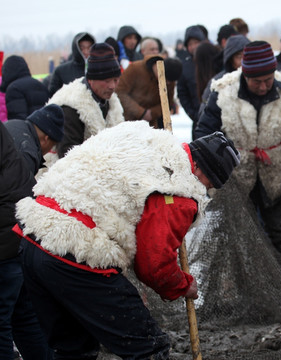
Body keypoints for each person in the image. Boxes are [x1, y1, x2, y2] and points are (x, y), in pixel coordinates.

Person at [13, 122, 240, 358]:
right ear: (205, 174)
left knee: (73, 348)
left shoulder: (143, 139)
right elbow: (154, 264)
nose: (206, 190)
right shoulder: (181, 192)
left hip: (34, 234)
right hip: (76, 252)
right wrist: (182, 285)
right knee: (148, 347)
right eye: (210, 185)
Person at [196, 41, 281, 267]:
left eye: (268, 80)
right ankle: (238, 288)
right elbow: (204, 131)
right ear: (245, 76)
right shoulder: (224, 94)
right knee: (235, 235)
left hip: (275, 173)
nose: (264, 87)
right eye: (257, 82)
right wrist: (211, 170)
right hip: (235, 176)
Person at [0, 121, 54, 360]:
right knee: (24, 316)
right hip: (20, 232)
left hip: (7, 238)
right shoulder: (16, 138)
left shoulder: (22, 143)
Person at [48, 43, 124, 159]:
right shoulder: (71, 106)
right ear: (91, 79)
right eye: (107, 81)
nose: (112, 86)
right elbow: (67, 154)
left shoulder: (112, 102)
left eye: (116, 80)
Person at [116, 55, 183, 129]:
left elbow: (167, 103)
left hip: (151, 125)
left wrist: (152, 113)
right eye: (166, 80)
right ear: (160, 70)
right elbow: (120, 92)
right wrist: (141, 112)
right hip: (126, 122)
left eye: (170, 82)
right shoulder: (135, 69)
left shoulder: (170, 81)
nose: (168, 83)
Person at [198, 34, 251, 119]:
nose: (243, 61)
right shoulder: (218, 83)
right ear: (230, 59)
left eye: (246, 56)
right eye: (239, 56)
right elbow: (204, 115)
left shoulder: (260, 80)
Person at [4, 104, 64, 176]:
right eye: (52, 145)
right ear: (46, 139)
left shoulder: (12, 123)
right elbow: (17, 185)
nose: (49, 151)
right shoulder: (28, 154)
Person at [177, 25, 207, 139]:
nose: (194, 46)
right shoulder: (185, 67)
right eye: (190, 44)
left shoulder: (212, 61)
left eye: (196, 42)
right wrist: (193, 114)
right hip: (198, 121)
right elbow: (182, 94)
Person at [0, 55, 48, 120]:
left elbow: (17, 119)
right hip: (43, 128)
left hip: (26, 129)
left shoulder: (14, 89)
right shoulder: (41, 85)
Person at [48, 32, 95, 96]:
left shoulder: (99, 69)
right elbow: (53, 96)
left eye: (89, 48)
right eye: (82, 48)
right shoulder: (61, 71)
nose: (86, 52)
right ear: (76, 49)